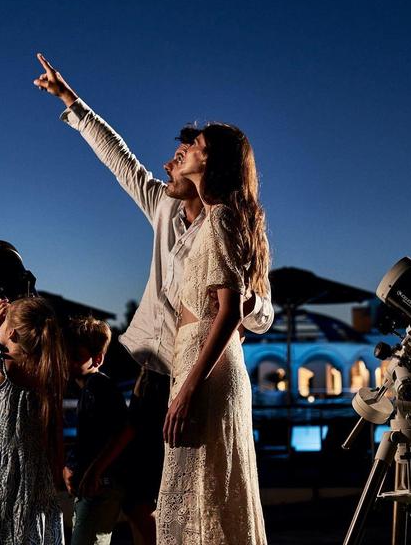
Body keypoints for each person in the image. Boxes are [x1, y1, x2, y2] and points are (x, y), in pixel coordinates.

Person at [32, 53, 274, 545]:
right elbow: (118, 158)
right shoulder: (164, 207)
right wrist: (70, 100)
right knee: (138, 481)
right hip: (156, 362)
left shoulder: (230, 223)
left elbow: (259, 311)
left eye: (181, 155)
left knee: (180, 488)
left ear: (206, 166)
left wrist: (241, 307)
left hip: (203, 365)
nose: (167, 164)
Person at [156, 122, 270, 544]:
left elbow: (229, 311)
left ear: (210, 160)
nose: (186, 149)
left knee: (205, 491)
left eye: (196, 145)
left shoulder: (220, 217)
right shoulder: (216, 218)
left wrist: (188, 389)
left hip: (205, 371)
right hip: (203, 362)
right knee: (204, 493)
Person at [0, 297, 66, 545]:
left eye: (5, 323)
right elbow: (55, 430)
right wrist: (58, 468)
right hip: (35, 468)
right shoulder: (47, 373)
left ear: (12, 333)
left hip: (0, 470)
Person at [62, 316, 128, 545]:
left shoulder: (98, 387)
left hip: (101, 486)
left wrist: (94, 472)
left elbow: (123, 431)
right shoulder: (90, 388)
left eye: (75, 356)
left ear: (97, 358)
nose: (67, 362)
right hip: (95, 484)